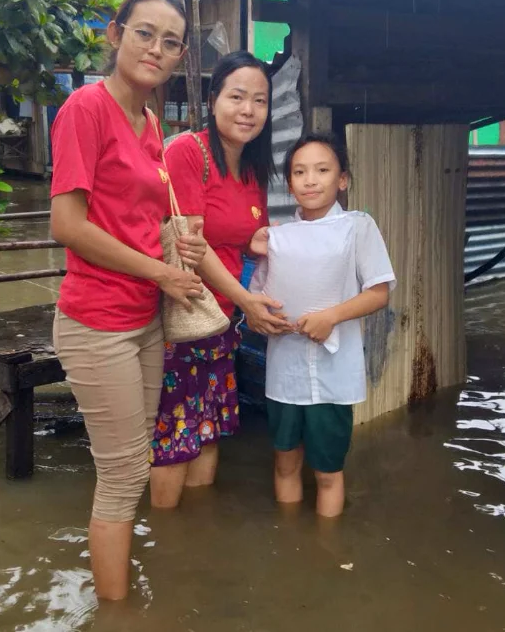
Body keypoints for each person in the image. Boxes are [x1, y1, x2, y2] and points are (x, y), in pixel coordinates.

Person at [49, 0, 208, 601]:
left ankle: (118, 595)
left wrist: (178, 250)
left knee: (134, 466)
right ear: (115, 35)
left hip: (142, 319)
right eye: (144, 33)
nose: (156, 49)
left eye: (170, 42)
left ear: (179, 56)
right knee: (119, 477)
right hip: (97, 321)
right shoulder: (85, 109)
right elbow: (68, 225)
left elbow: (138, 218)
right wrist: (161, 273)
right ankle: (118, 615)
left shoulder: (148, 122)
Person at [149, 51, 293, 509]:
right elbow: (192, 243)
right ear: (213, 101)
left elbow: (231, 236)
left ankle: (197, 541)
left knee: (208, 427)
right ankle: (168, 547)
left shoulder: (251, 168)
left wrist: (252, 244)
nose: (248, 110)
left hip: (220, 322)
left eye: (260, 100)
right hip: (181, 316)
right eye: (236, 96)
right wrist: (248, 303)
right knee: (175, 432)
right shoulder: (188, 151)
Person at [249, 133, 396, 518]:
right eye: (299, 172)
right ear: (290, 182)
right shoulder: (276, 238)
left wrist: (331, 316)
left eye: (322, 170)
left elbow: (379, 292)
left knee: (329, 472)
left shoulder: (357, 227)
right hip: (284, 372)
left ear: (342, 180)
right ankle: (294, 550)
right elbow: (257, 299)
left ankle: (326, 556)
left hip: (334, 375)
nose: (310, 180)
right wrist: (262, 320)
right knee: (285, 465)